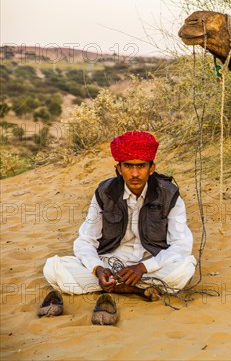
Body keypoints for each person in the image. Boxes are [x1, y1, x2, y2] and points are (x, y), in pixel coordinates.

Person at [41, 131, 196, 323]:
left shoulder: (169, 194)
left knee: (186, 267)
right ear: (118, 168)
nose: (135, 173)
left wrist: (143, 267)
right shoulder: (104, 193)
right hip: (111, 262)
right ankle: (133, 288)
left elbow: (181, 245)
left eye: (141, 166)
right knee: (53, 268)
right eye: (128, 166)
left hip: (150, 261)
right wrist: (98, 269)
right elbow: (85, 240)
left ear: (152, 168)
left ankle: (118, 286)